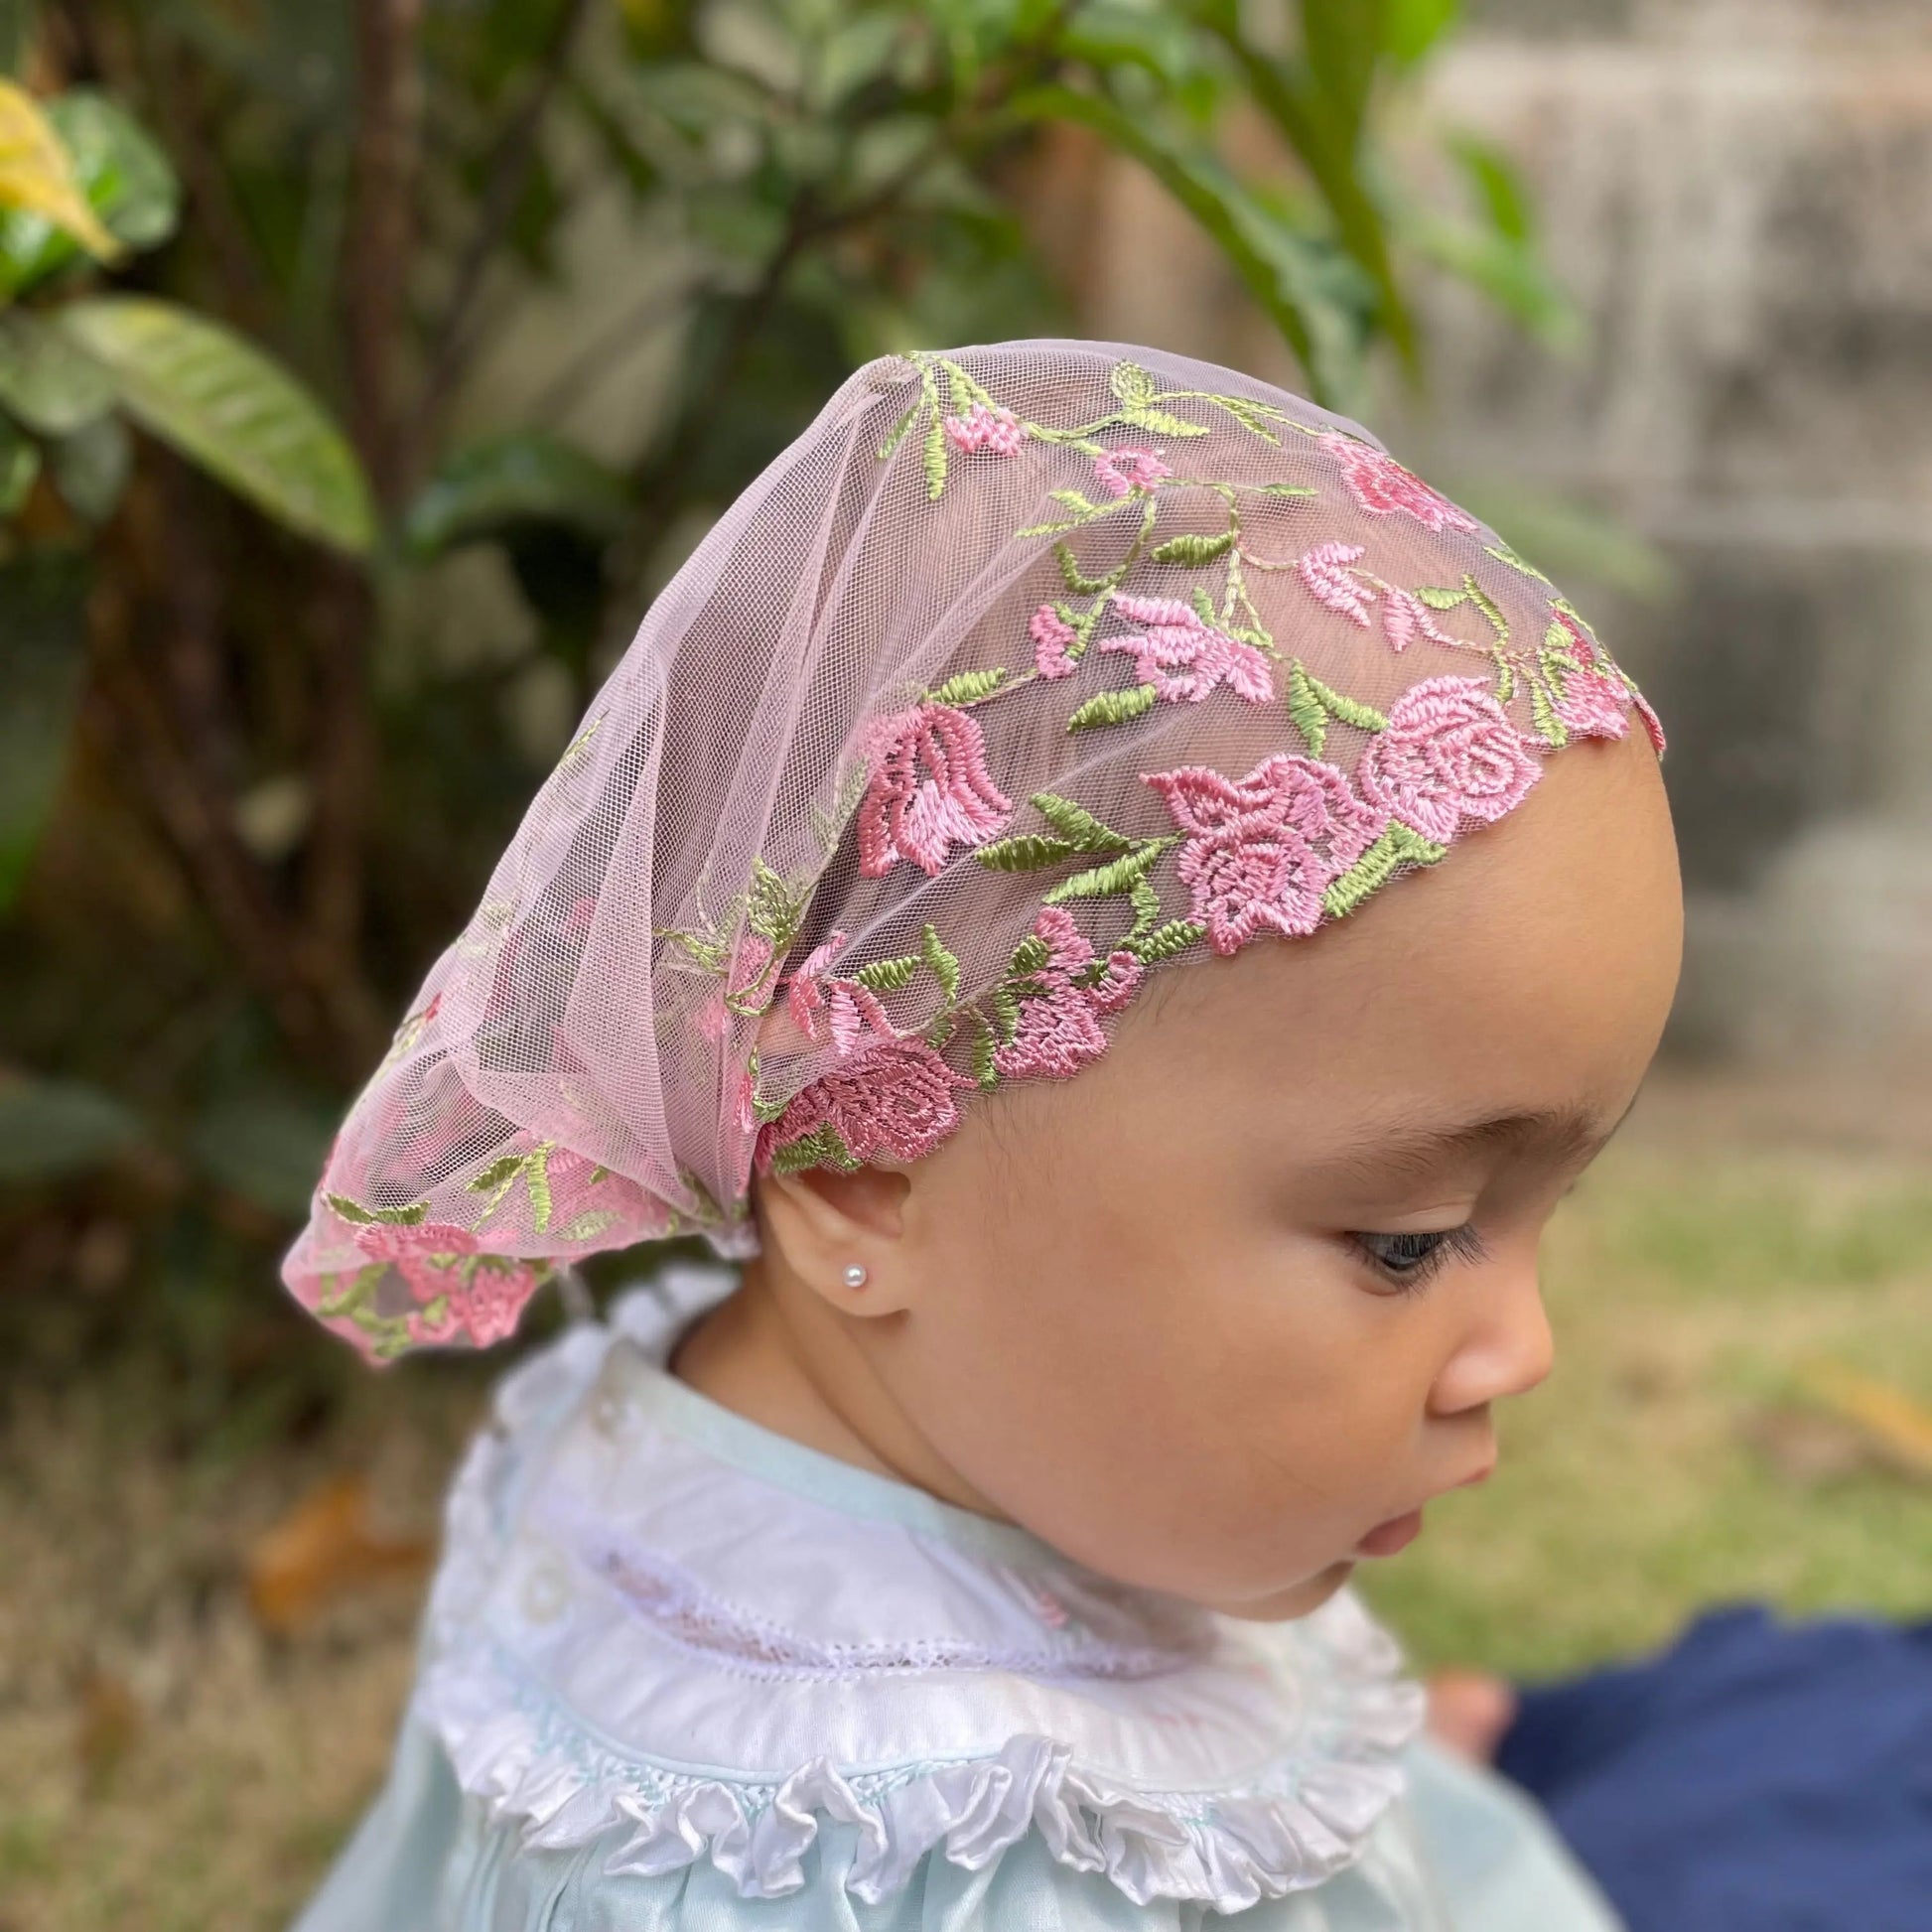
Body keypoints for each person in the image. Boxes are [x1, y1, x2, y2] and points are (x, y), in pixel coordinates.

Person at [282, 339, 1679, 1930]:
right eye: (1411, 1238)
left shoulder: (910, 1415)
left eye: (1540, 1206)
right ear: (864, 1175)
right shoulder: (929, 1845)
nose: (1523, 1346)